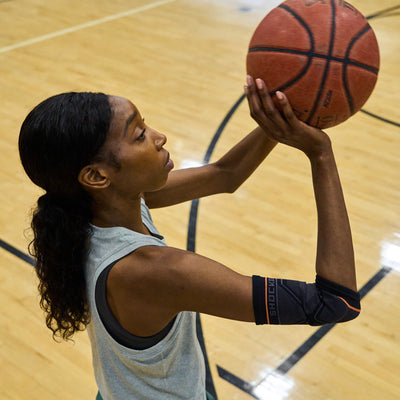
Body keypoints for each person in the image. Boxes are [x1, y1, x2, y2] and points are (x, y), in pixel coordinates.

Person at [18, 76, 360, 400]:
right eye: (139, 135)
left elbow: (225, 175)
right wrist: (321, 155)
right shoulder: (154, 273)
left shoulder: (91, 212)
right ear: (96, 176)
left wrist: (279, 119)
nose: (159, 136)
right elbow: (335, 302)